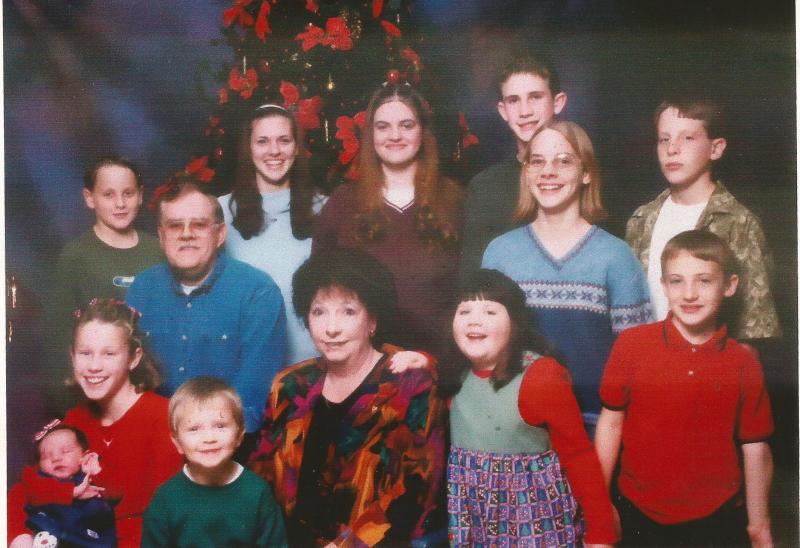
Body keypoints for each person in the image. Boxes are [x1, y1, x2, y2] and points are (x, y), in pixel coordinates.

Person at [249, 249, 446, 546]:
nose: (331, 328)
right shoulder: (289, 385)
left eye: (348, 311)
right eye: (319, 312)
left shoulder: (409, 383)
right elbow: (261, 476)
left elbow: (415, 492)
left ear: (373, 321)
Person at [595, 230, 774, 547]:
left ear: (730, 286)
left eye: (704, 281)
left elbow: (756, 448)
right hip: (639, 512)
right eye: (677, 281)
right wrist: (597, 504)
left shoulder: (742, 362)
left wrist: (759, 526)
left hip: (717, 517)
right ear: (663, 286)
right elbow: (610, 423)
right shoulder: (632, 345)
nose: (689, 293)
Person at [482, 120, 651, 434]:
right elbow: (485, 354)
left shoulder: (617, 257)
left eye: (564, 161)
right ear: (526, 173)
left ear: (586, 173)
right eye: (538, 161)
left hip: (597, 431)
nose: (548, 171)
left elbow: (638, 365)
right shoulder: (500, 253)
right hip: (516, 431)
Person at [439, 269, 617, 547]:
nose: (475, 321)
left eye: (490, 312)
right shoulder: (455, 376)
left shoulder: (541, 376)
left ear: (515, 324)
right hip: (475, 524)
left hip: (534, 526)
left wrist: (601, 534)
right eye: (464, 312)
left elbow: (579, 458)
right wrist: (421, 359)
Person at [126, 176, 287, 455]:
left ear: (220, 234)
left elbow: (251, 397)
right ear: (162, 236)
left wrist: (200, 444)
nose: (186, 234)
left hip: (228, 451)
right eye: (175, 225)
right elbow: (127, 384)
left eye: (198, 224)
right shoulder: (141, 290)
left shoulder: (257, 293)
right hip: (151, 446)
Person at [312, 83, 463, 353]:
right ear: (371, 135)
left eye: (406, 125)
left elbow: (471, 296)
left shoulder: (454, 200)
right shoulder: (343, 203)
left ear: (423, 132)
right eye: (383, 127)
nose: (395, 135)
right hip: (362, 369)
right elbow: (319, 292)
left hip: (440, 364)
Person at [625, 95, 780, 343]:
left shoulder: (739, 222)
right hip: (650, 363)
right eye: (664, 139)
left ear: (716, 148)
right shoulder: (641, 220)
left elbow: (756, 324)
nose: (672, 148)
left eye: (687, 138)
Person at [60, 299, 183, 547]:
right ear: (72, 356)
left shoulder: (162, 416)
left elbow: (164, 520)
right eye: (85, 353)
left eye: (109, 354)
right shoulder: (73, 419)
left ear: (133, 358)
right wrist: (18, 534)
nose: (94, 366)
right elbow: (35, 490)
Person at [48, 155, 162, 414]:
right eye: (108, 195)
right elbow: (58, 333)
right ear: (90, 198)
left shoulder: (158, 250)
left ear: (141, 195)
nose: (120, 203)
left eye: (128, 193)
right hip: (96, 391)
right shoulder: (76, 255)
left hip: (149, 387)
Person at [219, 103, 326, 364]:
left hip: (312, 365)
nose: (274, 151)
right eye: (262, 141)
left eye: (284, 140)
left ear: (297, 147)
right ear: (249, 149)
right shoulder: (220, 210)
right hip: (245, 360)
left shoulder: (326, 208)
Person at [459, 54, 567, 282]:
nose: (524, 111)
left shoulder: (583, 178)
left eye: (535, 97)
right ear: (502, 110)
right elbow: (473, 278)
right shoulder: (486, 188)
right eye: (513, 100)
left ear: (557, 102)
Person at [142, 377, 286, 547]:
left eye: (220, 426)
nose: (209, 438)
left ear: (239, 435)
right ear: (177, 443)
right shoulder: (166, 498)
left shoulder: (257, 492)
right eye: (194, 429)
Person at [7, 422, 115, 548]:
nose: (56, 458)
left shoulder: (90, 477)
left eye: (66, 451)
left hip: (88, 539)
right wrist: (20, 538)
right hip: (47, 537)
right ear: (39, 465)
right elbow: (18, 507)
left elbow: (115, 498)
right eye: (46, 456)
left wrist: (96, 471)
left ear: (84, 455)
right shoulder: (36, 484)